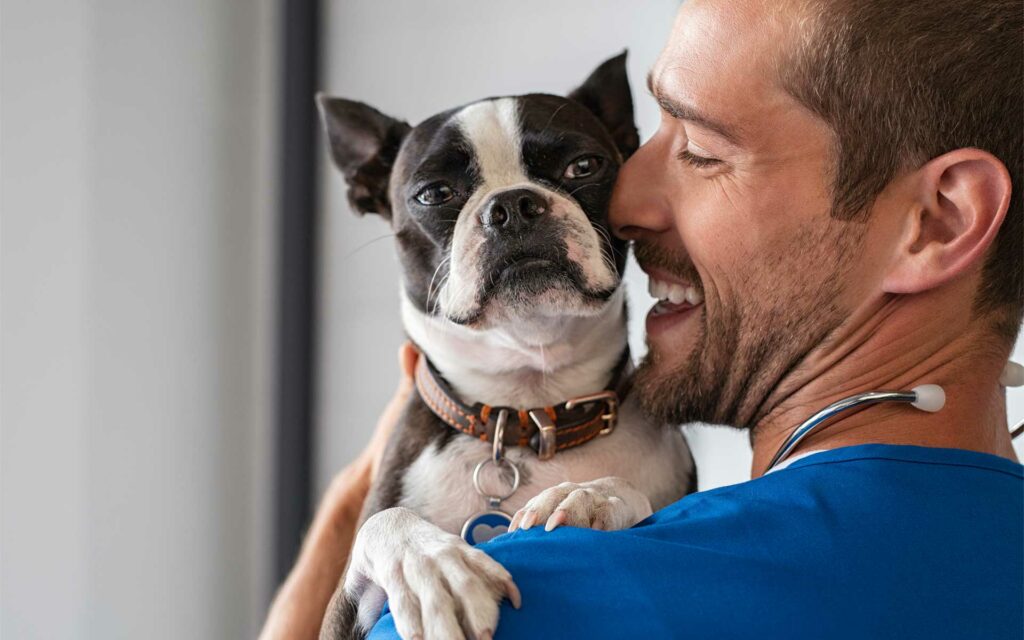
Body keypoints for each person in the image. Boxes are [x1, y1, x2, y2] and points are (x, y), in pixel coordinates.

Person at [263, 0, 1023, 637]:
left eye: (699, 149)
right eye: (645, 139)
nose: (623, 206)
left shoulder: (508, 596)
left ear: (938, 223)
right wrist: (356, 513)